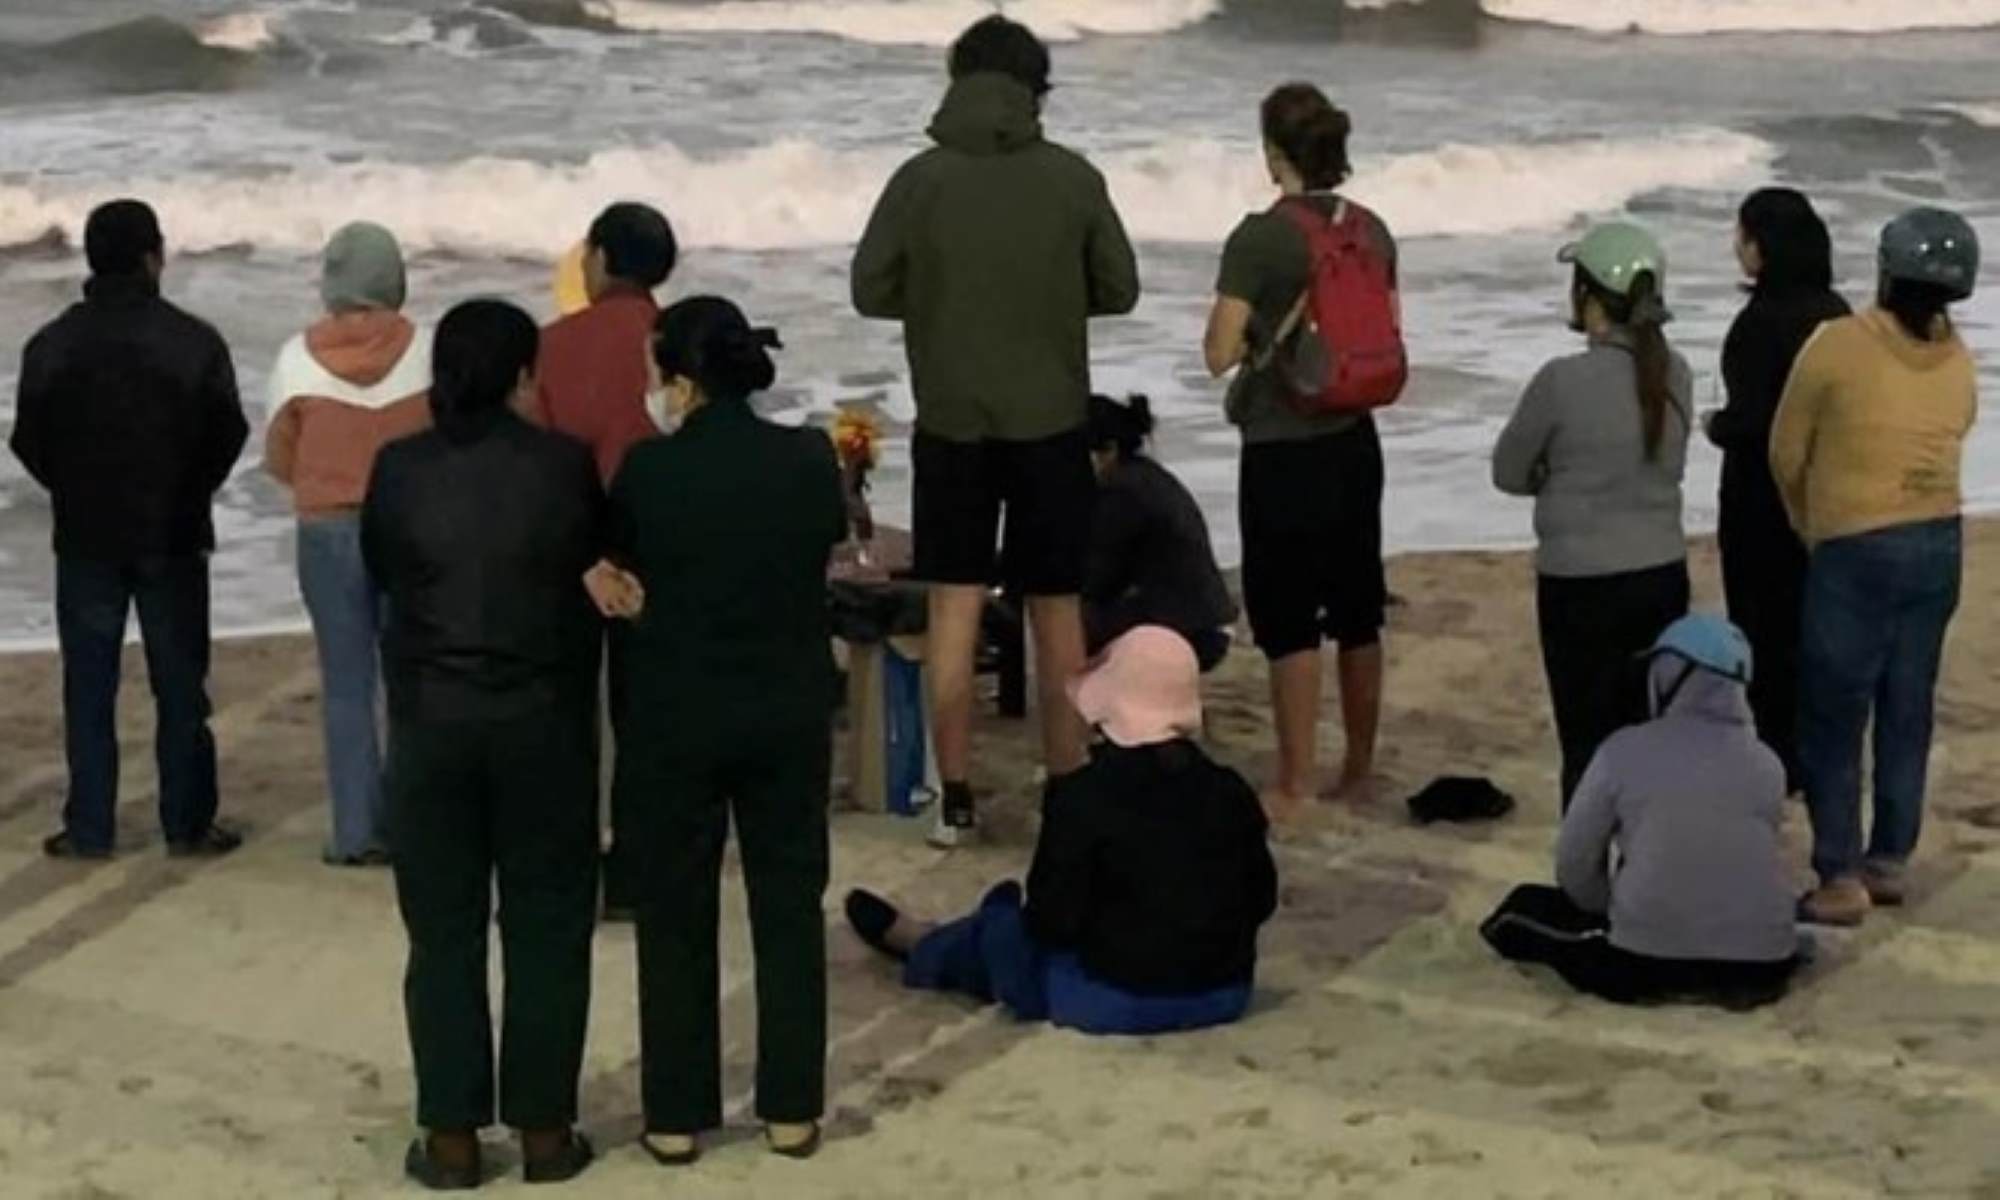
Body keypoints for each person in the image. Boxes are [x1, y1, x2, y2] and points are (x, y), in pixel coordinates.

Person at [852, 14, 1141, 847]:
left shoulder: (919, 179)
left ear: (956, 80)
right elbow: (1118, 288)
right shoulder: (1073, 177)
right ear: (1035, 90)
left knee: (953, 606)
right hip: (1051, 418)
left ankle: (957, 799)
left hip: (950, 420)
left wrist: (944, 296)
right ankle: (1068, 784)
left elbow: (871, 289)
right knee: (1055, 608)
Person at [361, 300, 603, 1190]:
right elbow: (586, 570)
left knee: (444, 934)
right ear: (517, 375)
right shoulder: (564, 467)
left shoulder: (398, 468)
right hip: (544, 721)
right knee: (546, 926)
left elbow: (383, 570)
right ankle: (545, 1132)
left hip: (434, 722)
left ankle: (454, 1137)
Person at [601, 297, 844, 1165]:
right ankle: (790, 1108)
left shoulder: (648, 472)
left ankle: (674, 1112)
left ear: (683, 379)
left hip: (676, 711)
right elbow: (824, 545)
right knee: (786, 904)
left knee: (675, 910)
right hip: (786, 706)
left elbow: (620, 565)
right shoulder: (810, 459)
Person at [844, 626, 1277, 1035]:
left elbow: (1051, 922)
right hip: (1224, 992)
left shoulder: (1083, 795)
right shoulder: (1230, 790)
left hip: (1114, 996)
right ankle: (965, 925)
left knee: (1003, 934)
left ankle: (923, 944)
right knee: (1012, 920)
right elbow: (1262, 898)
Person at [10, 199, 247, 861]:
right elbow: (227, 431)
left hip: (85, 533)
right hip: (172, 531)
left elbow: (28, 439)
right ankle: (188, 823)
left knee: (88, 685)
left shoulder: (52, 343)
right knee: (178, 685)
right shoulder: (193, 341)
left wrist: (75, 487)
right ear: (153, 256)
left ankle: (90, 827)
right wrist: (191, 487)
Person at [1773, 207, 1980, 927]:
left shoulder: (1836, 345)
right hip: (1941, 541)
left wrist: (1812, 524)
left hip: (1855, 544)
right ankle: (1890, 859)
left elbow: (1785, 452)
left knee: (1833, 713)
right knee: (1907, 703)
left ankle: (1838, 873)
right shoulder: (1959, 358)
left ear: (1887, 272)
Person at [1204, 83, 1394, 814]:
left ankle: (1294, 778)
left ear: (1273, 152)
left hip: (1283, 444)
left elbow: (1219, 352)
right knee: (1356, 605)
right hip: (1355, 434)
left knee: (1287, 614)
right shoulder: (1373, 230)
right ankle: (1361, 765)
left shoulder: (1260, 237)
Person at [1481, 615, 1802, 1010]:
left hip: (1647, 963)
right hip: (1763, 967)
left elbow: (1574, 865)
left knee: (1517, 912)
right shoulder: (1768, 764)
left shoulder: (1623, 749)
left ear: (1670, 674)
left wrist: (1611, 908)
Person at [1493, 221, 1693, 809]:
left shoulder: (1561, 381)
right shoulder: (1673, 372)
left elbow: (1508, 472)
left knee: (1586, 740)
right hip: (1660, 573)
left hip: (1578, 584)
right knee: (1647, 732)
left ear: (1587, 295)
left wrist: (1557, 480)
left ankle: (1587, 880)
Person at [265, 222, 432, 867]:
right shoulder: (424, 351)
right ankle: (409, 819)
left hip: (327, 526)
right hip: (410, 524)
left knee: (345, 680)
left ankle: (355, 830)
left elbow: (282, 456)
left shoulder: (295, 359)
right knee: (409, 675)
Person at [535, 200, 678, 916]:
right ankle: (639, 862)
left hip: (573, 543)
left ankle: (571, 859)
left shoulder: (553, 345)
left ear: (599, 259)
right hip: (662, 545)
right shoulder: (677, 342)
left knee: (569, 709)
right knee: (646, 711)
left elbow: (533, 459)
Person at [1705, 189, 1850, 790]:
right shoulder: (1838, 314)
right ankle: (1818, 750)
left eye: (1741, 236)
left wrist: (1717, 425)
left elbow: (1755, 422)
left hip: (1761, 499)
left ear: (1761, 248)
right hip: (1830, 494)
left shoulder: (1756, 324)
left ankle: (1777, 756)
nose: (1736, 247)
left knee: (1763, 627)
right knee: (1816, 628)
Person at [1083, 393, 1238, 672]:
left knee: (1066, 618)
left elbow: (1098, 577)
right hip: (1206, 619)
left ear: (1108, 449)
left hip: (1186, 626)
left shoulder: (1122, 491)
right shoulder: (1146, 476)